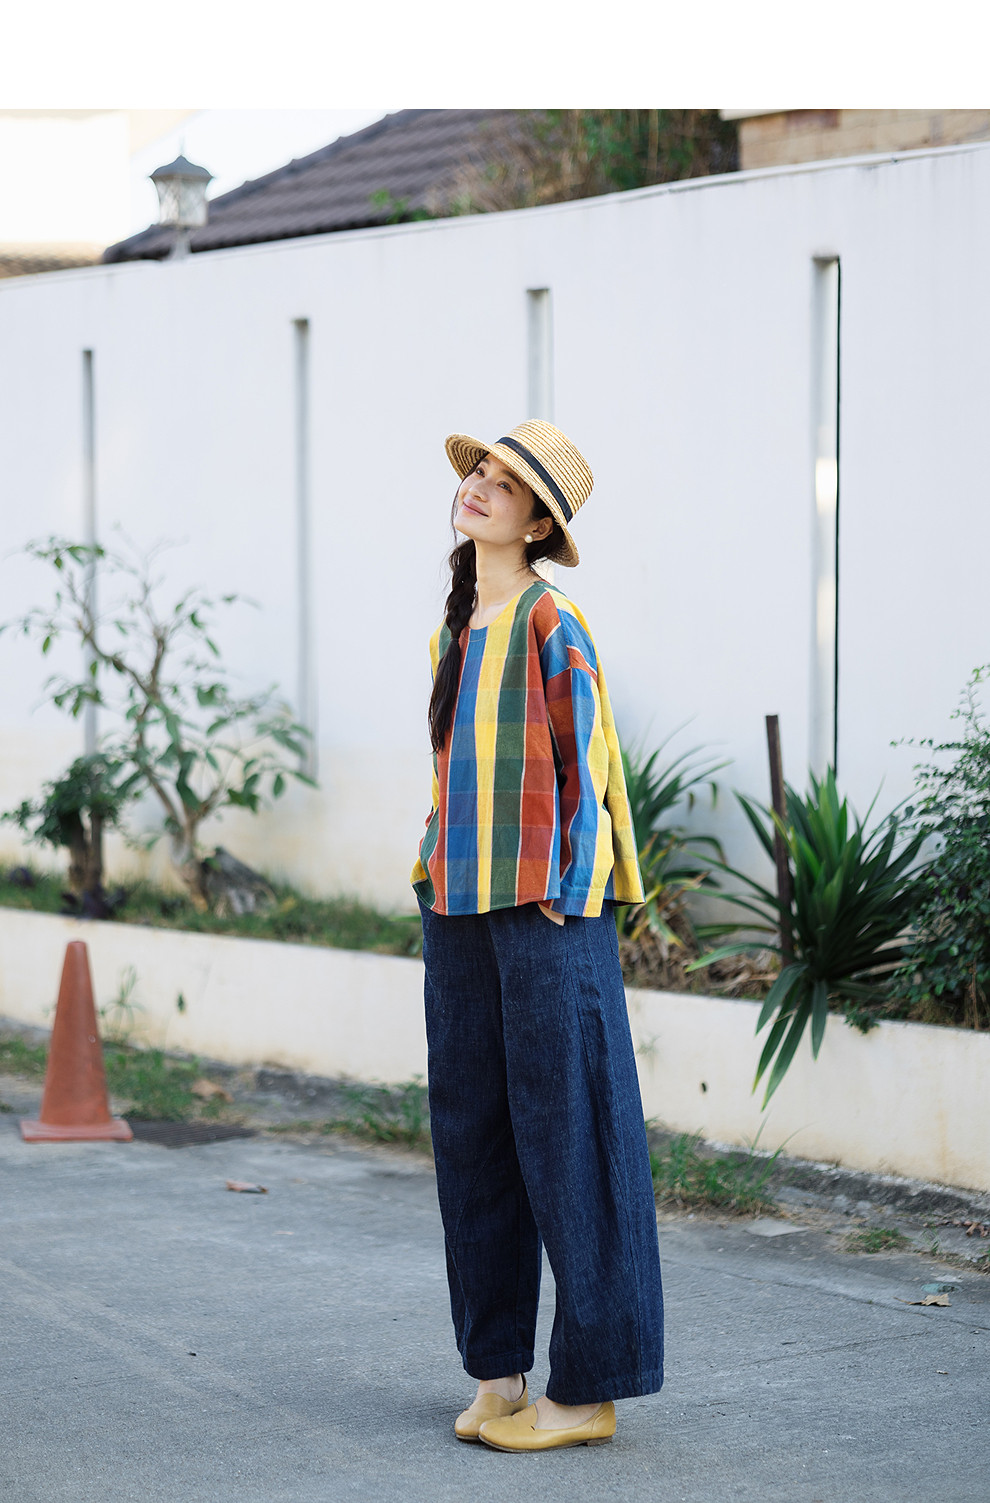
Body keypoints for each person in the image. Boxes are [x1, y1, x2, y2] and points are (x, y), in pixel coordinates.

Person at [411, 420, 664, 1454]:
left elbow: (589, 758)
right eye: (480, 470)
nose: (480, 486)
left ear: (536, 525)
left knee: (572, 1138)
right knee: (471, 1135)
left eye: (506, 484)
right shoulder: (455, 629)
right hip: (458, 907)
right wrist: (430, 865)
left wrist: (570, 887)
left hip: (548, 910)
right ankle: (498, 1374)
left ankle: (588, 1390)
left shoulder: (553, 619)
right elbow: (452, 767)